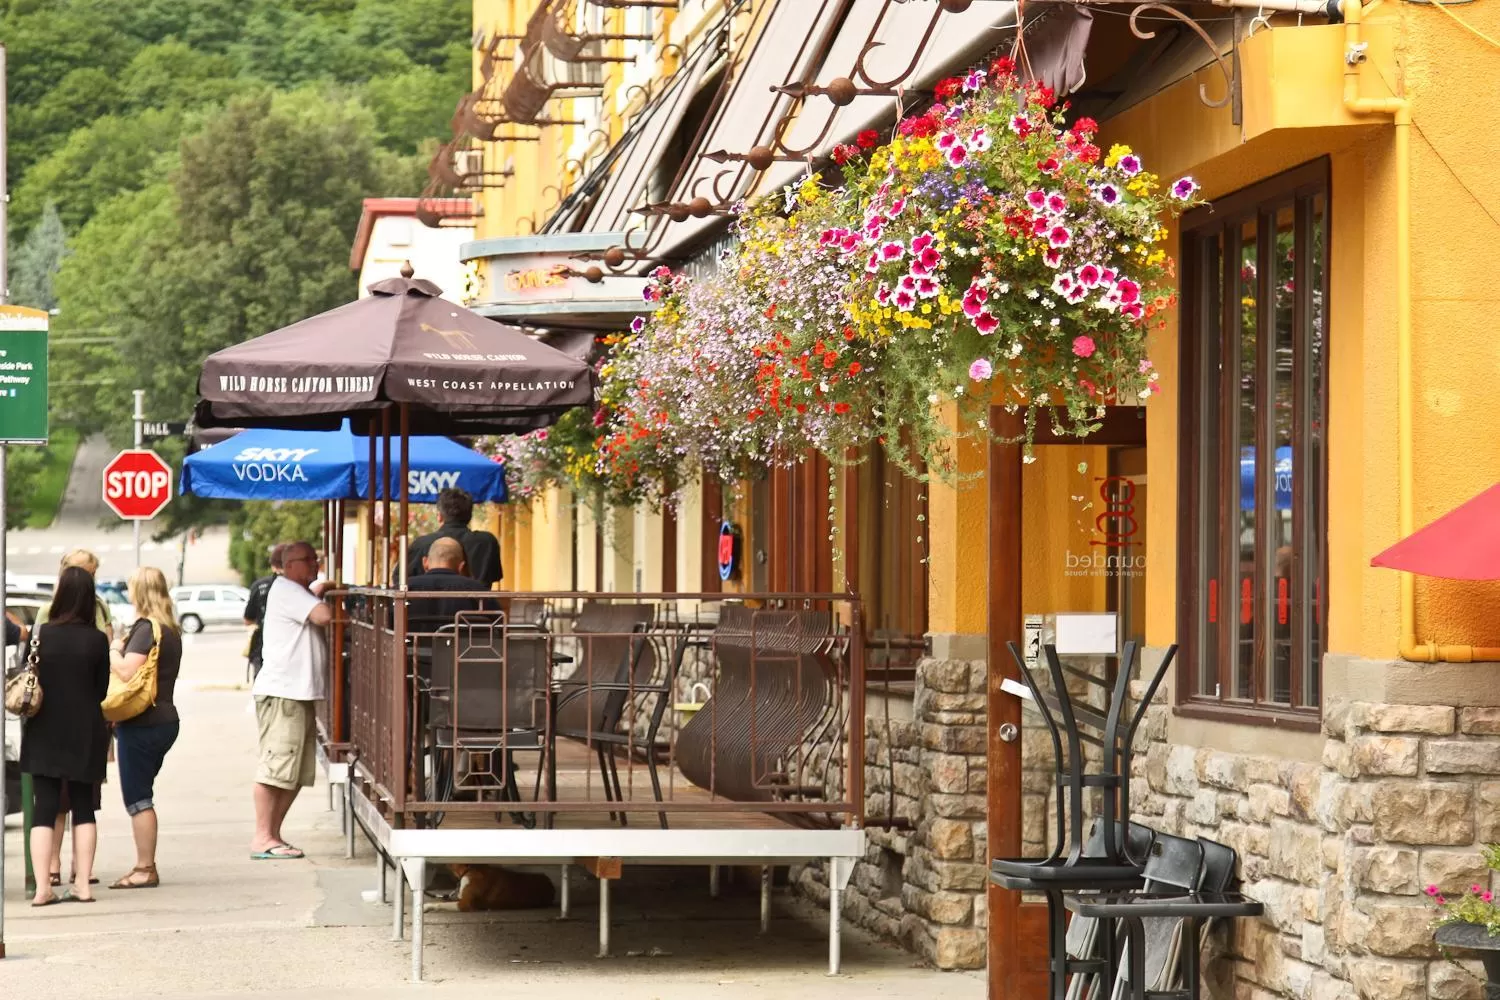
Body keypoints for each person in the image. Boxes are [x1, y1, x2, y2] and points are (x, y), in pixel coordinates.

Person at [19, 567, 110, 905]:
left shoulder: (40, 633)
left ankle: (43, 888)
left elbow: (30, 676)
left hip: (43, 729)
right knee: (84, 809)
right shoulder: (97, 640)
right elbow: (101, 691)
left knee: (45, 809)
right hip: (85, 730)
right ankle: (83, 884)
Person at [249, 540, 331, 859]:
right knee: (275, 766)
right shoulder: (287, 589)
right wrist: (321, 594)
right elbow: (323, 616)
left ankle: (272, 835)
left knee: (294, 771)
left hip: (297, 692)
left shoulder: (296, 591)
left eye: (316, 559)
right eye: (309, 559)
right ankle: (262, 837)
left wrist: (319, 589)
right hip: (285, 692)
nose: (315, 564)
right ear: (291, 564)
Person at [106, 566, 183, 889]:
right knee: (142, 794)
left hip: (143, 722)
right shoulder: (170, 629)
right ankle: (145, 865)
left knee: (138, 798)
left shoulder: (145, 628)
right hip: (164, 717)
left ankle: (144, 867)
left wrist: (111, 647)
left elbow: (126, 671)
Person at [406, 488, 503, 589]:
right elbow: (494, 576)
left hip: (428, 604)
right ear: (470, 516)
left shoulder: (421, 544)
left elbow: (400, 578)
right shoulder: (487, 542)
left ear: (439, 516)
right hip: (477, 604)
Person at [406, 537, 489, 634]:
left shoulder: (405, 589)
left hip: (412, 648)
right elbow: (498, 624)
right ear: (461, 566)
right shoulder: (477, 590)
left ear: (425, 562)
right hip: (462, 648)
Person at [243, 543, 287, 681]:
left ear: (273, 565)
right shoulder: (298, 587)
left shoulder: (259, 586)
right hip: (288, 652)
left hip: (263, 647)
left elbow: (248, 619)